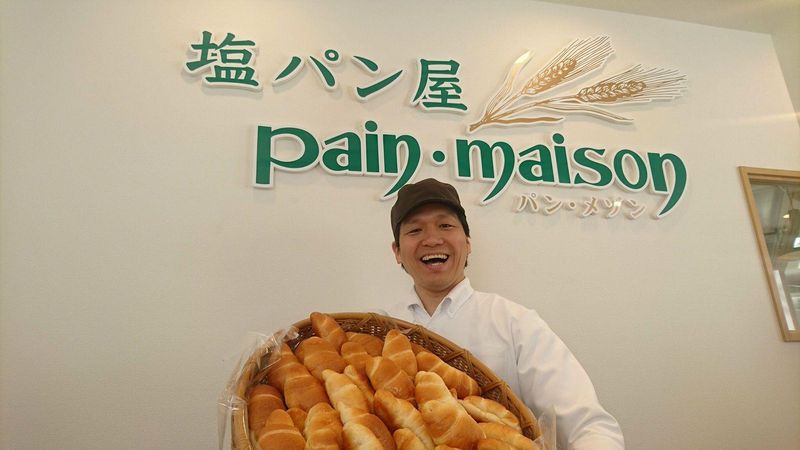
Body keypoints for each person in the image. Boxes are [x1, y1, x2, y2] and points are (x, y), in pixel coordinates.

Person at [380, 178, 625, 450]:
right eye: (415, 230)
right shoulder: (377, 334)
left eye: (445, 225)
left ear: (468, 243)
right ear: (397, 251)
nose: (432, 239)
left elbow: (588, 426)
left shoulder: (514, 322)